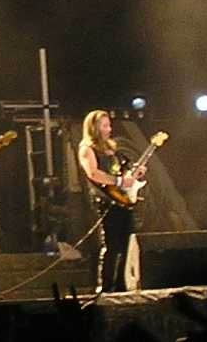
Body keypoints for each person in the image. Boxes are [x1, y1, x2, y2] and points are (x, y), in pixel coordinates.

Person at [77, 109, 145, 293]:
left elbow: (122, 171)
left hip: (123, 200)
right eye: (104, 126)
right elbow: (93, 173)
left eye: (109, 125)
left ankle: (122, 285)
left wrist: (135, 174)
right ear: (94, 128)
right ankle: (106, 286)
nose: (109, 129)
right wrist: (119, 181)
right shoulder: (87, 149)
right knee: (112, 245)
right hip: (106, 201)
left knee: (126, 244)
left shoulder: (113, 149)